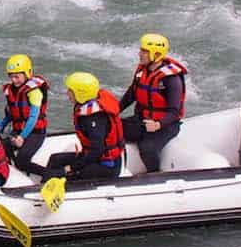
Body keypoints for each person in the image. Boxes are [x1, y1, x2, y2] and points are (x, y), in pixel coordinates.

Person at [28, 72, 125, 183]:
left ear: (80, 94)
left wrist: (69, 168)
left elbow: (97, 151)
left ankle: (49, 189)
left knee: (60, 175)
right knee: (55, 159)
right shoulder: (86, 108)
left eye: (70, 91)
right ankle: (42, 187)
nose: (67, 93)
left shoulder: (94, 119)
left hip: (106, 167)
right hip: (93, 158)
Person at [118, 32, 187, 173]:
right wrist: (113, 111)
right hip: (142, 121)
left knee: (147, 148)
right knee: (113, 129)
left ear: (156, 55)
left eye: (144, 51)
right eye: (141, 50)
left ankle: (155, 175)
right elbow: (131, 95)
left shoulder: (172, 79)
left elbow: (174, 112)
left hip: (166, 125)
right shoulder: (141, 72)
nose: (139, 54)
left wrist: (158, 125)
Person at [0, 54, 51, 174]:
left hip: (35, 133)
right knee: (1, 147)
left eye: (17, 77)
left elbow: (33, 118)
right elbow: (11, 115)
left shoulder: (34, 92)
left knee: (22, 161)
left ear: (27, 73)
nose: (13, 80)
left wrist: (22, 137)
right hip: (18, 131)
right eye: (11, 77)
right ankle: (13, 172)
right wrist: (0, 127)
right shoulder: (11, 90)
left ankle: (49, 174)